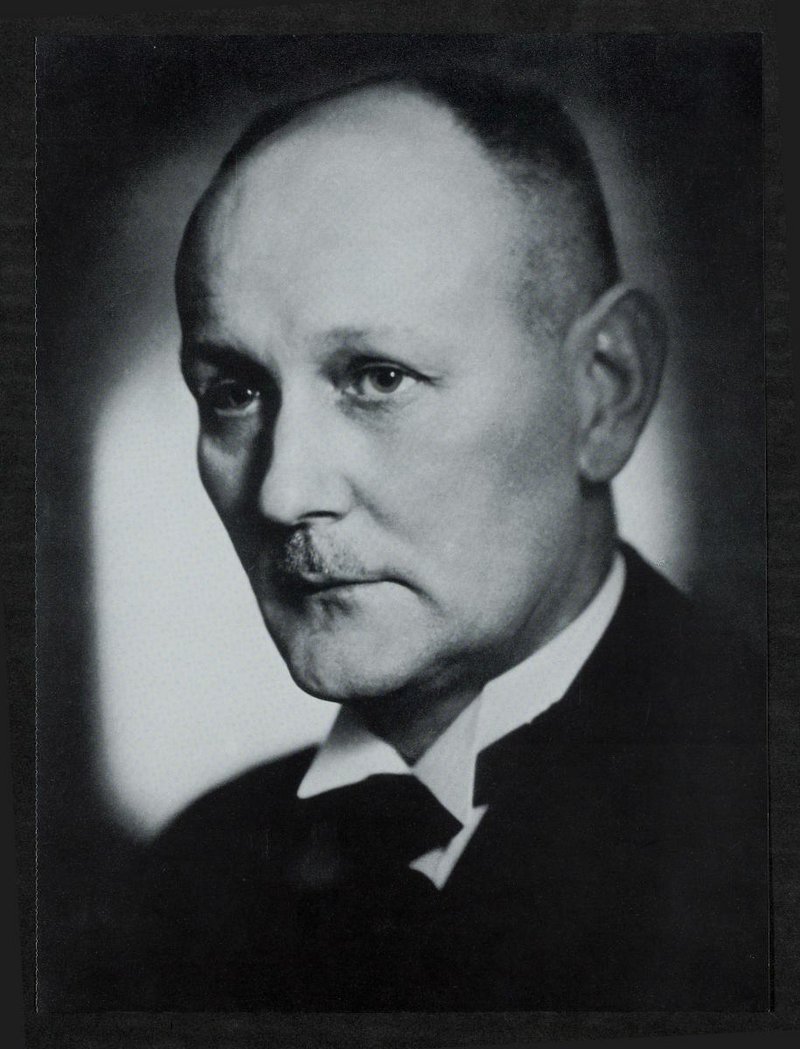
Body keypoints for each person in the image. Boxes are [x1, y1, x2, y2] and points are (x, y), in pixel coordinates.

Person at [101, 69, 767, 1011]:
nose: (285, 491)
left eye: (378, 378)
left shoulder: (760, 820)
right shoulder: (188, 880)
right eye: (235, 392)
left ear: (605, 392)